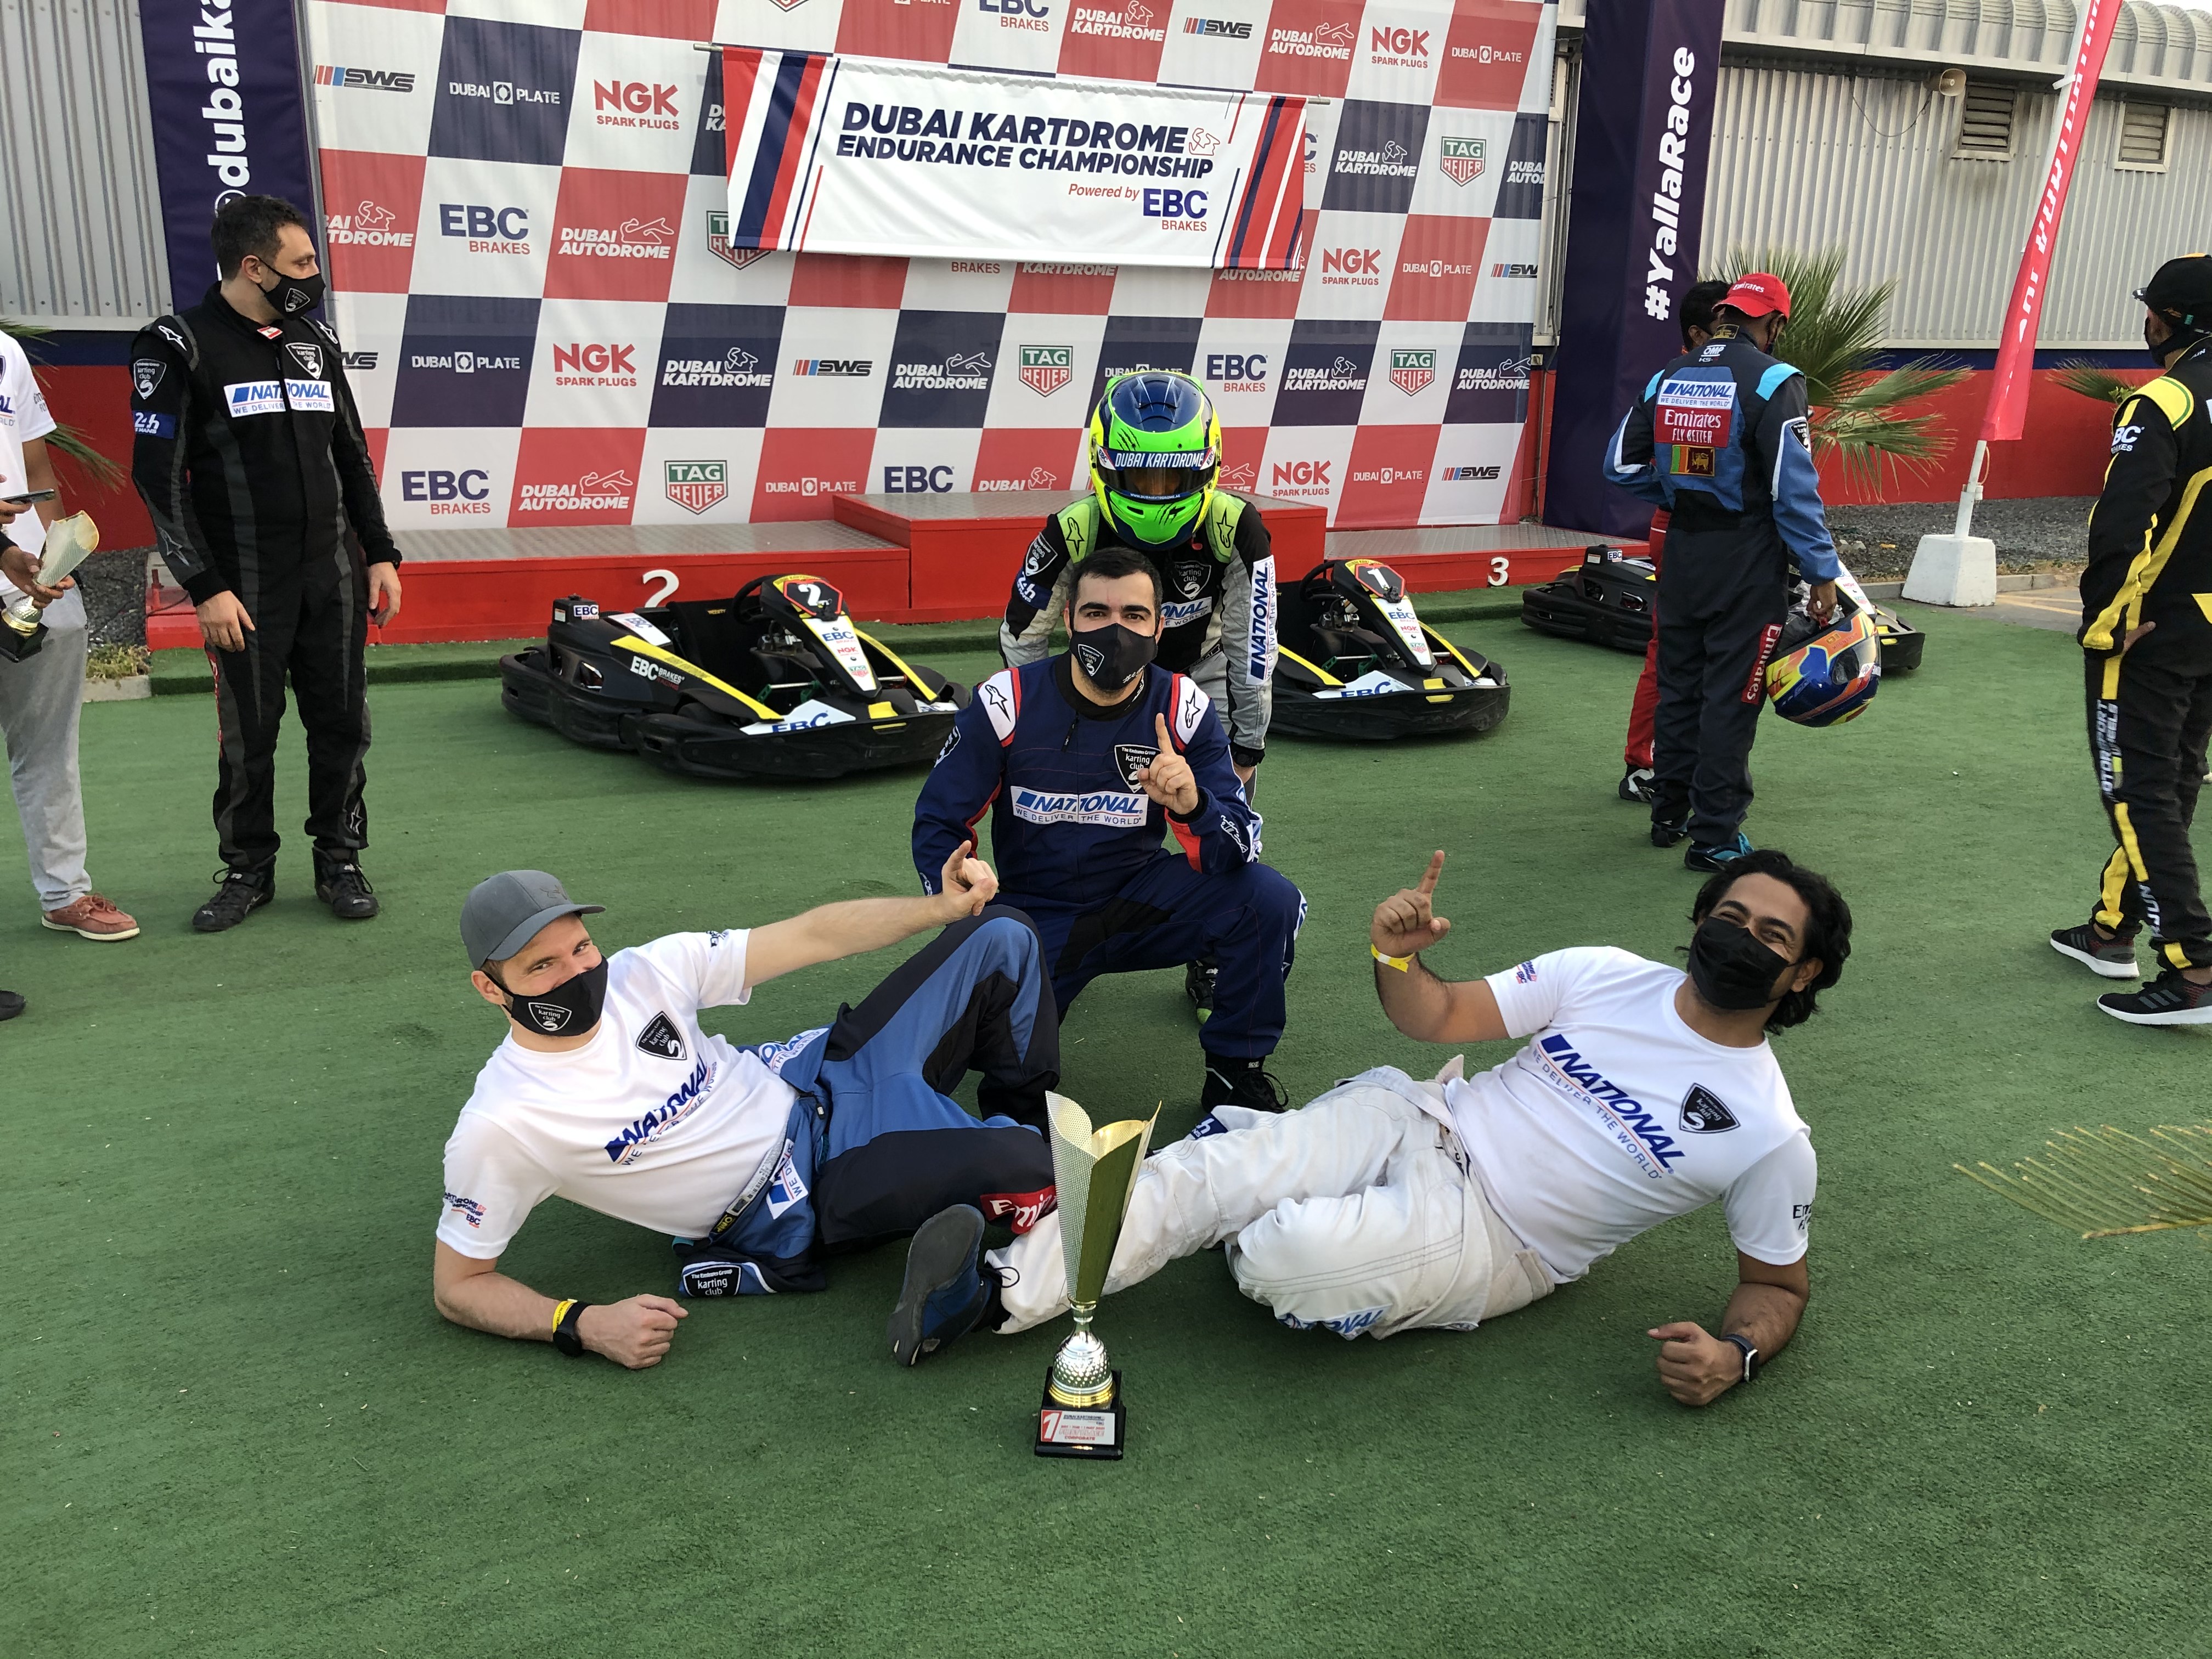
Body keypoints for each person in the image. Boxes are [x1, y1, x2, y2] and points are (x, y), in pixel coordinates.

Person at [894, 848, 1848, 1409]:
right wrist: (1395, 957)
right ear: (1700, 917)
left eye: (1771, 936)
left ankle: (1249, 1164)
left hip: (1494, 1240)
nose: (1741, 937)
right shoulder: (1604, 973)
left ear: (1803, 972)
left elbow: (1777, 1284)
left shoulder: (1769, 1132)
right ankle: (992, 1291)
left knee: (1282, 1256)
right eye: (1731, 915)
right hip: (1420, 1112)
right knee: (1208, 1182)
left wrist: (1736, 1357)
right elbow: (1439, 1017)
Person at [435, 856, 1063, 1370]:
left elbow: (813, 935)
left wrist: (938, 909)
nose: (576, 972)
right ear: (491, 988)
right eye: (541, 966)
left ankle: (1024, 1138)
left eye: (581, 947)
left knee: (1002, 934)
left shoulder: (642, 973)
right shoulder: (503, 1122)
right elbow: (458, 1287)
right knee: (1029, 1165)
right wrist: (583, 1324)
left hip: (820, 1073)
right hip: (803, 1189)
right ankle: (970, 1288)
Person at [914, 545, 1304, 1123]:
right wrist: (958, 889)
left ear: (1159, 627)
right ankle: (1014, 1111)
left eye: (1134, 615)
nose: (1115, 630)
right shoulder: (1006, 702)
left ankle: (1234, 1074)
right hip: (1034, 914)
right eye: (1097, 613)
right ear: (1070, 620)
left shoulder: (1184, 706)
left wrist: (1195, 806)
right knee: (992, 1074)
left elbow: (1240, 844)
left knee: (1269, 900)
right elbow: (939, 823)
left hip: (1138, 897)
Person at [129, 194, 402, 933]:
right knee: (251, 736)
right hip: (243, 585)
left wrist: (380, 552)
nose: (315, 275)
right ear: (254, 267)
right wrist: (205, 586)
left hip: (333, 571)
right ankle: (248, 870)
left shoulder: (315, 337)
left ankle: (340, 859)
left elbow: (351, 453)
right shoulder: (177, 345)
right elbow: (158, 479)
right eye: (302, 263)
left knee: (342, 723)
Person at [1000, 370, 1277, 1018]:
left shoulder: (1237, 525)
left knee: (1224, 812)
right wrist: (1040, 719)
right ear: (1105, 466)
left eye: (1175, 477)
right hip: (1095, 682)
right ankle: (1043, 927)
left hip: (1199, 674)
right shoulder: (1072, 527)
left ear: (1207, 467)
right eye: (1141, 477)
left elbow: (1254, 645)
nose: (1158, 493)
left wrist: (1247, 747)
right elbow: (1022, 637)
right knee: (1072, 806)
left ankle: (1213, 948)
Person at [1602, 274, 1841, 871]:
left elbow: (1619, 466)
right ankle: (1714, 838)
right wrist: (1822, 571)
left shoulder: (1670, 373)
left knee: (1680, 688)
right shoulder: (1776, 380)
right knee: (1733, 699)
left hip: (1682, 552)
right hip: (1747, 561)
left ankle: (1668, 815)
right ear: (1776, 323)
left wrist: (1679, 491)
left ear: (1726, 313)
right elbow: (1793, 489)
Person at [2048, 254, 2212, 1026]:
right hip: (2206, 627)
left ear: (2169, 320)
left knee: (2139, 788)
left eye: (2152, 309)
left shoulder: (2166, 400)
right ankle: (2112, 930)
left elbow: (2125, 520)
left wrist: (2106, 622)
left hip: (2152, 629)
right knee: (2174, 778)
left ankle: (2194, 968)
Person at [1, 328, 139, 997]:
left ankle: (65, 894)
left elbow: (36, 468)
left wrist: (64, 560)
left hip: (30, 576)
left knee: (49, 747)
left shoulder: (6, 351)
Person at [1620, 279, 1733, 805]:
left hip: (1735, 539)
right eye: (1726, 328)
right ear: (1697, 334)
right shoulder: (1668, 379)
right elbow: (1622, 463)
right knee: (1670, 652)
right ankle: (1643, 765)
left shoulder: (1754, 378)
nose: (1738, 338)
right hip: (1680, 528)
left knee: (1722, 656)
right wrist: (1678, 493)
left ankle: (1696, 765)